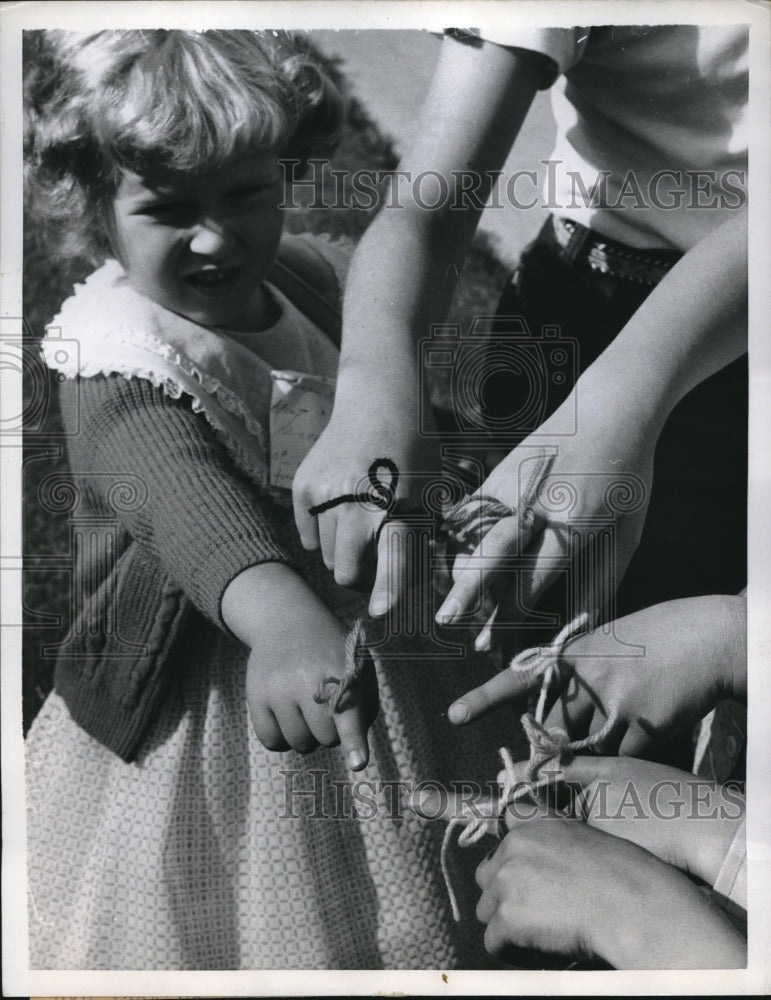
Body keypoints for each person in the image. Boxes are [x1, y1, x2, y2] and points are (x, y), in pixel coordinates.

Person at [23, 29, 510, 970]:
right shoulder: (117, 354)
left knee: (406, 822)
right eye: (168, 209)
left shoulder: (305, 279)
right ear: (94, 209)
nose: (216, 236)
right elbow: (186, 506)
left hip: (371, 637)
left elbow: (382, 404)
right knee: (244, 874)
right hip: (212, 685)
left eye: (246, 194)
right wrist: (282, 624)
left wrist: (458, 473)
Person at [292, 26, 748, 649]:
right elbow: (428, 204)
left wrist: (620, 402)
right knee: (517, 632)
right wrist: (374, 384)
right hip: (583, 313)